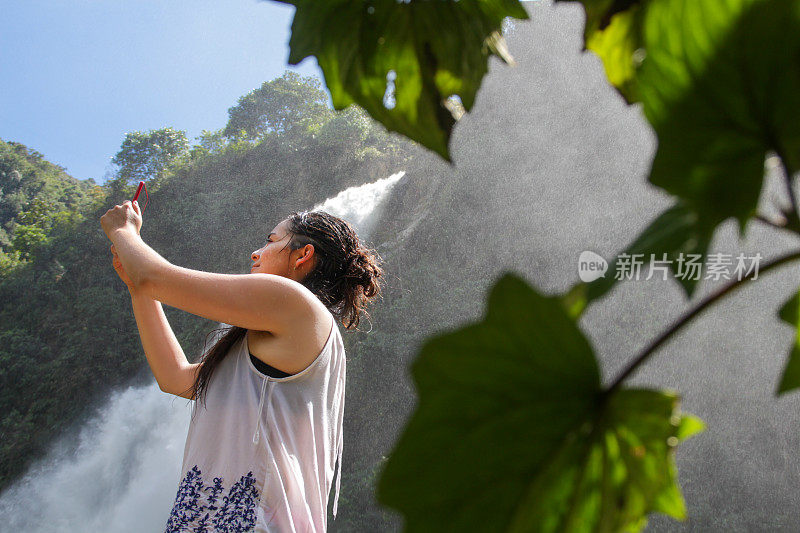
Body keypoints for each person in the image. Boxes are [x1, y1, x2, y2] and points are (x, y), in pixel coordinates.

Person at [100, 200, 384, 532]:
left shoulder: (296, 304)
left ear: (302, 254)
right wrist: (137, 289)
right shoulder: (271, 334)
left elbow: (152, 275)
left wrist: (124, 230)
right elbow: (175, 377)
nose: (256, 252)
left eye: (271, 240)